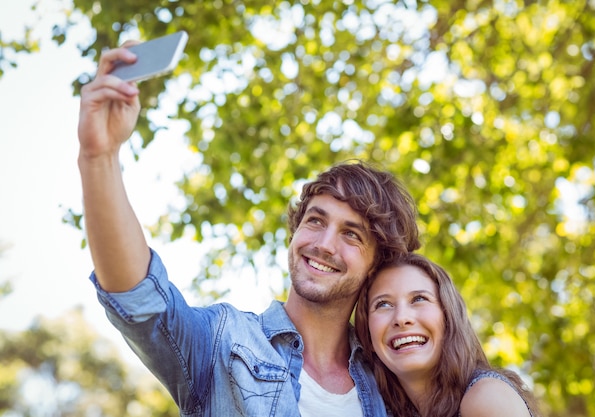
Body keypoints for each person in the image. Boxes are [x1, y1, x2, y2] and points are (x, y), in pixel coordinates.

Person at [77, 43, 421, 416]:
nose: (323, 244)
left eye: (351, 234)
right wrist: (99, 156)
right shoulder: (224, 343)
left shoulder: (394, 383)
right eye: (316, 220)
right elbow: (140, 299)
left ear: (376, 264)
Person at [355, 253, 540, 417]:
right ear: (368, 334)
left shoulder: (486, 397)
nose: (402, 318)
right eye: (383, 304)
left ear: (448, 318)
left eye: (419, 299)